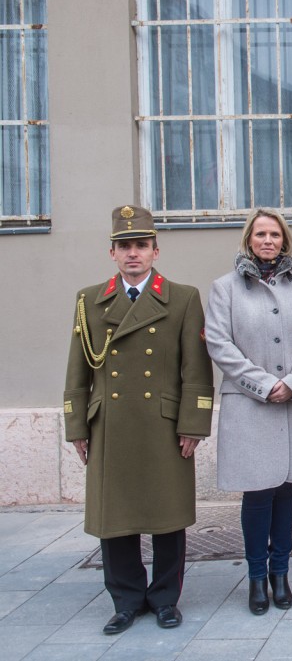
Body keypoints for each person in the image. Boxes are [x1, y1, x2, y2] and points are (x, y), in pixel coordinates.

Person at [63, 206, 214, 634]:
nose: (133, 253)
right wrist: (76, 427)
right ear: (111, 253)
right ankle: (126, 600)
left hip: (163, 425)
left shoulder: (182, 297)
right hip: (110, 425)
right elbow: (77, 370)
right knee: (115, 518)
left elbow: (195, 368)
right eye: (125, 246)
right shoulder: (89, 300)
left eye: (141, 245)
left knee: (168, 515)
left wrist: (193, 424)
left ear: (155, 251)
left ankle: (165, 599)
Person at [205, 209, 292, 615]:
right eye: (260, 234)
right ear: (249, 239)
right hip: (250, 404)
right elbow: (219, 344)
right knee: (258, 492)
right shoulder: (224, 288)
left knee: (287, 489)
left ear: (284, 241)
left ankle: (281, 572)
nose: (267, 241)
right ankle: (257, 576)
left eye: (274, 235)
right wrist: (263, 384)